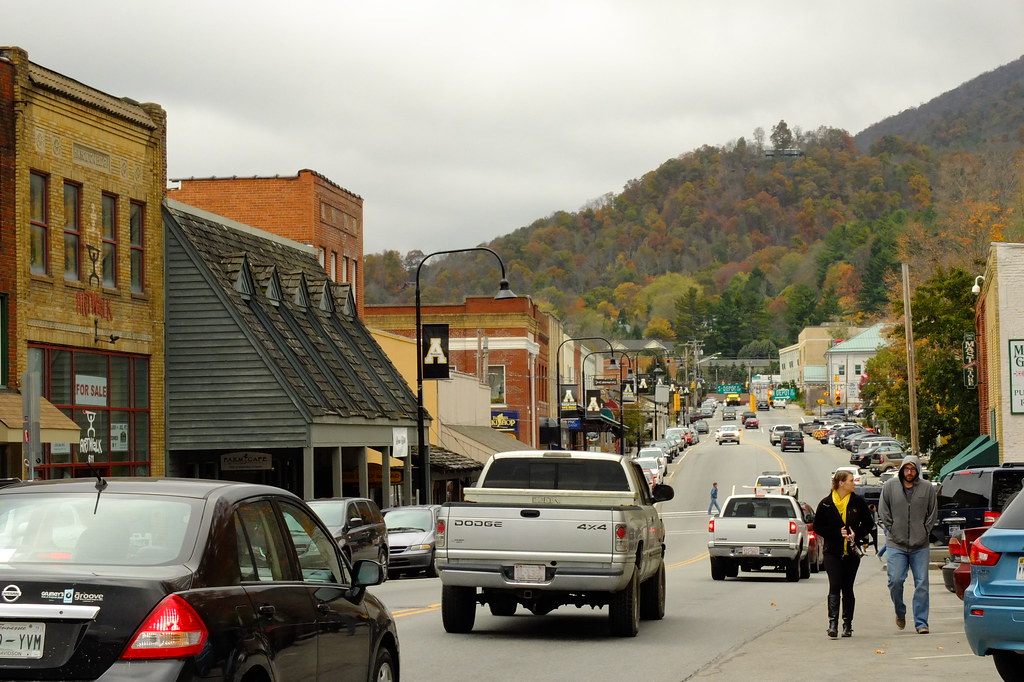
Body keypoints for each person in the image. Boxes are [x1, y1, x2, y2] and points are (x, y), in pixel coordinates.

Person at [878, 454, 938, 634]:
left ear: (918, 470)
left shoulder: (927, 488)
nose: (909, 472)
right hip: (896, 543)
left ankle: (921, 622)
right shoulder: (889, 487)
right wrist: (892, 529)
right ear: (902, 469)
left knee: (922, 583)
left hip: (920, 544)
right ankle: (900, 611)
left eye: (913, 469)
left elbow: (932, 513)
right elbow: (883, 510)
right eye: (906, 469)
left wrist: (925, 531)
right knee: (895, 581)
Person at [815, 469, 873, 638]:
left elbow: (869, 523)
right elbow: (818, 527)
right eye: (851, 481)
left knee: (847, 587)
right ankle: (832, 624)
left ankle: (847, 624)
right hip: (832, 551)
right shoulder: (826, 504)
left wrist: (857, 533)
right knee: (835, 584)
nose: (853, 483)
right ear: (841, 483)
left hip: (852, 552)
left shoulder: (858, 502)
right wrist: (835, 532)